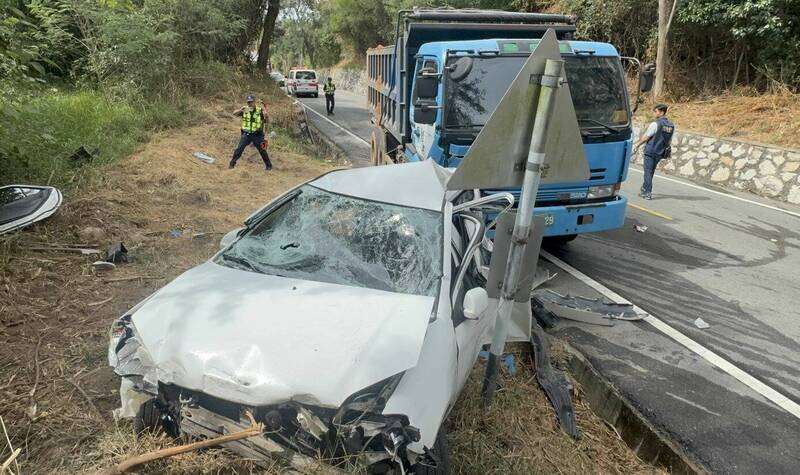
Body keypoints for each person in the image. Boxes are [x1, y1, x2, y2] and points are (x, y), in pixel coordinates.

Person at [633, 103, 674, 199]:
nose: (654, 114)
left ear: (662, 112)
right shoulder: (671, 126)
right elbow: (669, 140)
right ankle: (644, 187)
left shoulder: (655, 124)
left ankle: (647, 192)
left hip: (651, 150)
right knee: (651, 171)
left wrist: (637, 145)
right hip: (660, 152)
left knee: (648, 171)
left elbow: (646, 137)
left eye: (655, 112)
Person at [229, 94, 272, 171]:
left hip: (257, 134)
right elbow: (234, 113)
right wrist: (240, 110)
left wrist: (267, 116)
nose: (250, 104)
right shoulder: (245, 110)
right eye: (248, 102)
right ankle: (232, 164)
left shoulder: (260, 111)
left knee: (262, 150)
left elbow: (267, 122)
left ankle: (269, 166)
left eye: (251, 102)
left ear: (254, 102)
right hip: (246, 134)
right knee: (239, 149)